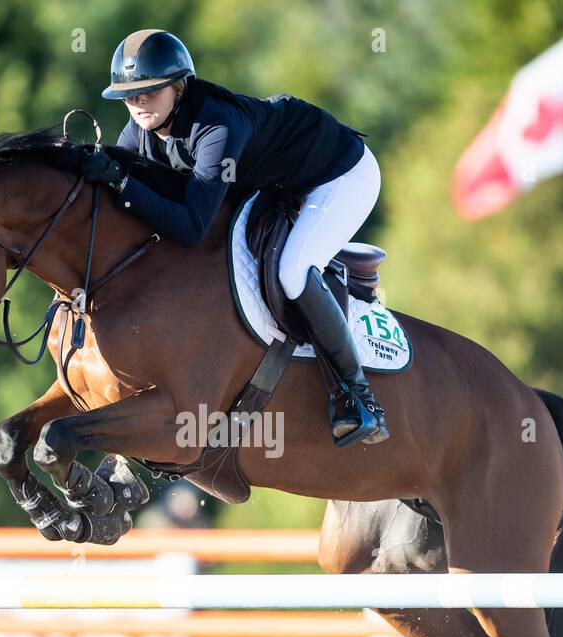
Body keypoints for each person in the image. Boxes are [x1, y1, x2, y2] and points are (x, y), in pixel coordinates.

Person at [83, 29, 389, 448]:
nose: (136, 103)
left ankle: (359, 396)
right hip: (277, 181)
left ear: (177, 86)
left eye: (148, 92)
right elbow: (128, 204)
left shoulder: (216, 126)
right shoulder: (139, 132)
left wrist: (121, 182)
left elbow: (190, 225)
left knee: (292, 271)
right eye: (129, 96)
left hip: (339, 174)